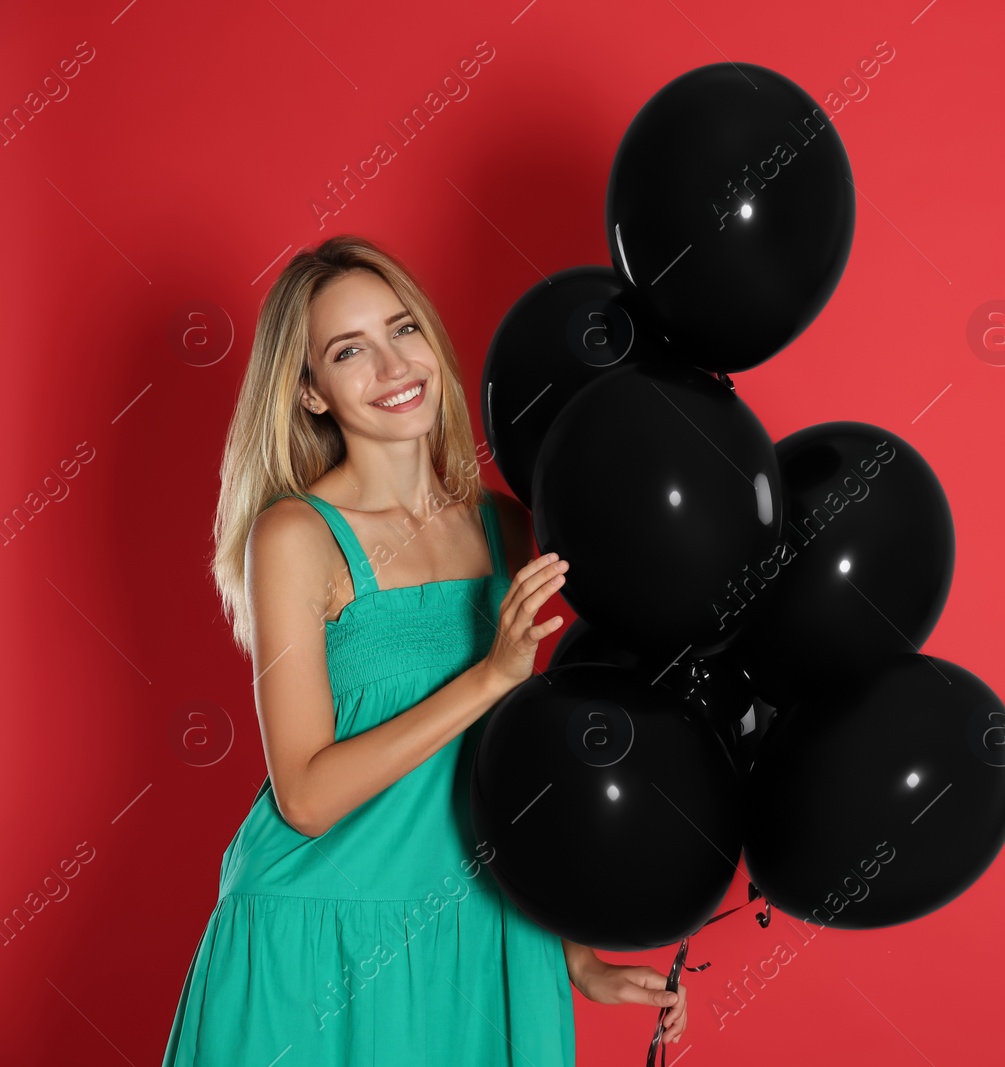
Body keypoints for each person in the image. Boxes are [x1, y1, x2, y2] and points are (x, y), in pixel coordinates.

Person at [162, 235, 688, 1065]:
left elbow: (524, 768)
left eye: (402, 329)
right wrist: (490, 677)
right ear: (310, 393)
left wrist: (577, 951)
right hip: (323, 937)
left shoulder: (512, 526)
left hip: (487, 935)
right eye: (349, 350)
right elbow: (303, 795)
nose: (392, 364)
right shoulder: (297, 536)